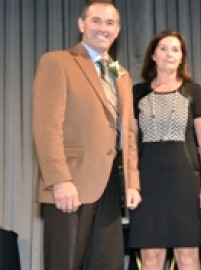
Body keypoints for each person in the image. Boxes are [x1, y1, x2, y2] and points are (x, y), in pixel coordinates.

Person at [31, 1, 141, 269]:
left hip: (111, 186)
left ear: (118, 30)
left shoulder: (121, 73)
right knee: (65, 263)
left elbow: (128, 132)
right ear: (82, 25)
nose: (103, 28)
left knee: (108, 264)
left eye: (110, 23)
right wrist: (60, 180)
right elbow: (46, 127)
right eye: (96, 21)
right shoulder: (58, 62)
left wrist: (132, 182)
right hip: (72, 184)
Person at [129, 30, 201, 270]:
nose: (170, 54)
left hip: (185, 183)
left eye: (175, 49)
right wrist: (130, 182)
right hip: (146, 184)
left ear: (181, 58)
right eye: (164, 48)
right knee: (151, 258)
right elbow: (130, 140)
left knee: (187, 256)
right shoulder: (137, 93)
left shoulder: (194, 91)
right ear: (153, 56)